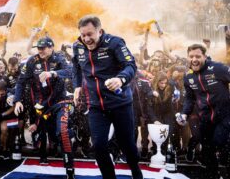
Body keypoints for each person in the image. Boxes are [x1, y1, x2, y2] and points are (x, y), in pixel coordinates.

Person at [72, 15, 143, 179]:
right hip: (96, 106)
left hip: (120, 103)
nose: (86, 39)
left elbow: (130, 65)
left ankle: (136, 172)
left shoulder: (115, 43)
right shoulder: (78, 46)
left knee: (127, 145)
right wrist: (77, 86)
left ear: (100, 30)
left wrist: (120, 79)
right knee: (98, 146)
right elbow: (75, 66)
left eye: (90, 34)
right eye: (83, 35)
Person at [176, 44, 230, 179]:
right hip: (205, 118)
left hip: (225, 116)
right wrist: (184, 113)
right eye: (191, 56)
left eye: (198, 56)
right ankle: (213, 175)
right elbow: (189, 98)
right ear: (187, 57)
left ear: (205, 57)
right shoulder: (187, 76)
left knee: (220, 143)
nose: (194, 59)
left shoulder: (219, 68)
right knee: (207, 152)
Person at [14, 36, 75, 179]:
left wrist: (53, 73)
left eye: (43, 48)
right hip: (41, 104)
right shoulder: (32, 61)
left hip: (60, 102)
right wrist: (17, 100)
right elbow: (20, 82)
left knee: (63, 132)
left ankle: (70, 169)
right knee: (42, 132)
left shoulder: (59, 58)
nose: (40, 51)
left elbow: (71, 72)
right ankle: (43, 156)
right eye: (39, 48)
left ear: (51, 47)